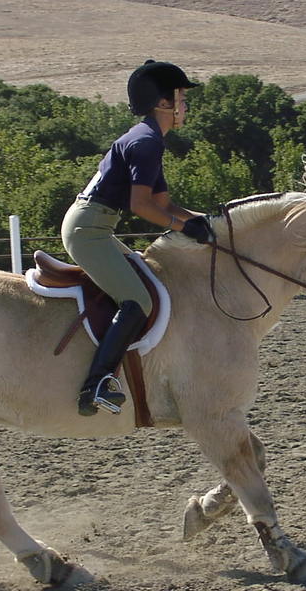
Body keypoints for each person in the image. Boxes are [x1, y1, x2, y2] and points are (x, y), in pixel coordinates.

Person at [61, 59, 214, 417]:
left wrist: (209, 223)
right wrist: (183, 228)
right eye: (181, 99)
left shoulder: (148, 138)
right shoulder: (146, 143)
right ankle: (96, 385)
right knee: (137, 300)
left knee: (147, 281)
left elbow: (165, 205)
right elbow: (142, 206)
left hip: (96, 226)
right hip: (88, 230)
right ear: (163, 103)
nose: (185, 106)